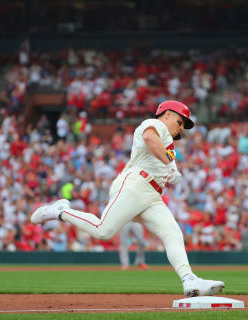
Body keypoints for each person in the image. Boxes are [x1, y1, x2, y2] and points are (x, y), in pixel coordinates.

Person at [30, 100, 225, 297]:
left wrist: (171, 168)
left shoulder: (168, 143)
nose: (181, 128)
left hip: (152, 195)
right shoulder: (155, 124)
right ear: (167, 114)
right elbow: (150, 137)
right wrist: (168, 162)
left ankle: (189, 279)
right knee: (103, 231)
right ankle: (60, 211)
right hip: (135, 185)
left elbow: (166, 162)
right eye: (180, 121)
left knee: (172, 233)